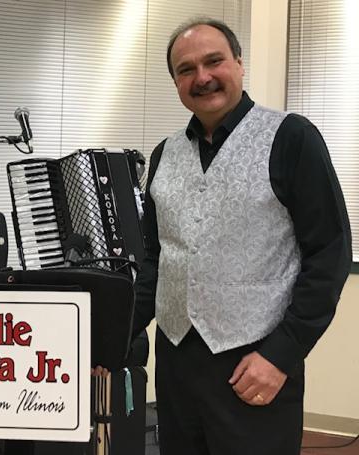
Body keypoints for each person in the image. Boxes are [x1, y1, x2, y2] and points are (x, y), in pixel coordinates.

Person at [131, 17, 352, 455]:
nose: (202, 77)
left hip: (255, 362)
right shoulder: (164, 153)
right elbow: (155, 262)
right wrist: (110, 339)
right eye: (186, 69)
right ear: (175, 81)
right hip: (175, 362)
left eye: (214, 61)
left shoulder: (292, 138)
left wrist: (282, 355)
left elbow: (329, 254)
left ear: (238, 62)